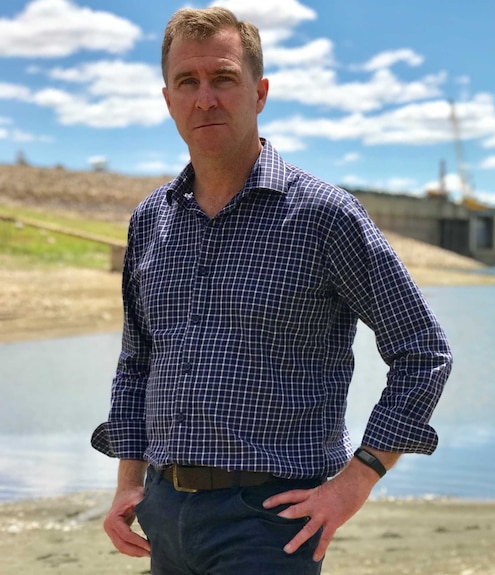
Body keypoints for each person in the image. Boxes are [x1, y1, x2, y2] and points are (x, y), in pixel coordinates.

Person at [90, 7, 452, 574]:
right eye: (188, 82)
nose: (205, 98)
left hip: (270, 523)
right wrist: (127, 483)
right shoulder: (151, 220)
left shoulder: (324, 217)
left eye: (224, 79)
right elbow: (137, 362)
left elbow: (423, 352)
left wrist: (356, 482)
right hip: (163, 513)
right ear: (167, 100)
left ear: (259, 93)